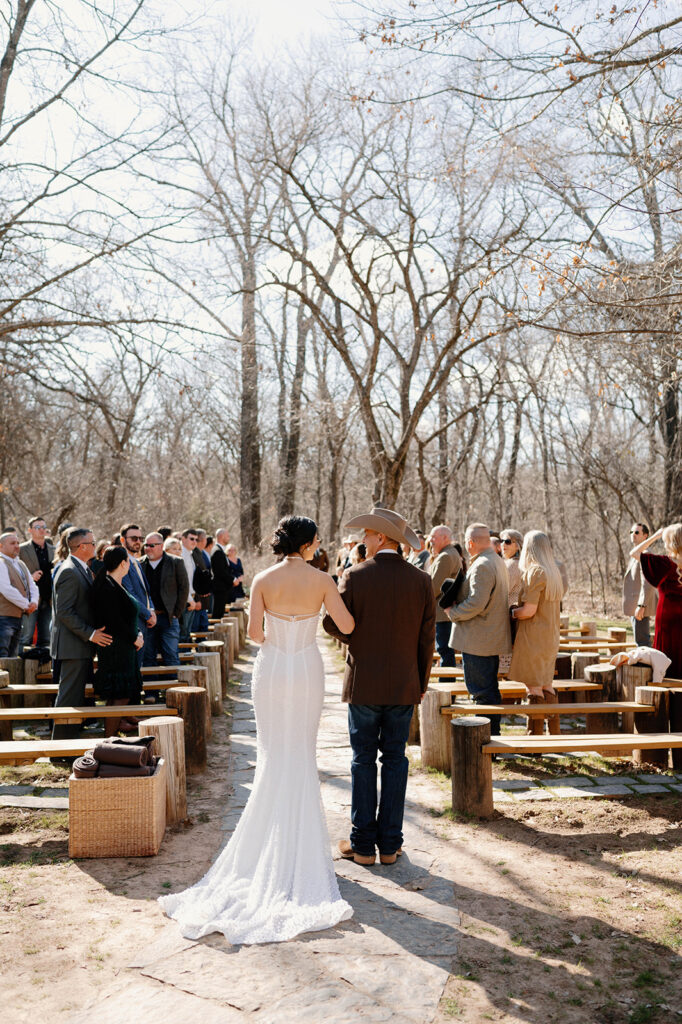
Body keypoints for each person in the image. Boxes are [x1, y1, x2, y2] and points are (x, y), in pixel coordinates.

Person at [160, 514, 355, 944]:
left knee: (272, 754)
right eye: (317, 540)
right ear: (307, 545)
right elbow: (347, 627)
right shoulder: (323, 580)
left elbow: (254, 634)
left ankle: (267, 843)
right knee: (301, 752)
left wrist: (281, 643)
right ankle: (297, 848)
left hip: (271, 671)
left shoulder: (264, 578)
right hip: (306, 667)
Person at [323, 507, 435, 866]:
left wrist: (353, 635)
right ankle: (390, 846)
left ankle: (362, 845)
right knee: (395, 761)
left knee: (362, 761)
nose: (362, 541)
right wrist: (420, 681)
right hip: (405, 683)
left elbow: (330, 622)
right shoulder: (421, 580)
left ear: (382, 538)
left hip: (365, 683)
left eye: (367, 535)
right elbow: (426, 640)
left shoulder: (355, 575)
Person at [444, 523, 510, 735]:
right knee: (487, 691)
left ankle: (487, 742)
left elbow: (476, 603)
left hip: (479, 640)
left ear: (471, 543)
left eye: (466, 542)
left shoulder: (483, 564)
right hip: (486, 637)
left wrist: (452, 612)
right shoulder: (496, 560)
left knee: (482, 694)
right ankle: (492, 739)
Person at [50, 528, 112, 745]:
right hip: (72, 645)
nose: (95, 546)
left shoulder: (81, 568)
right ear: (82, 546)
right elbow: (64, 612)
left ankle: (69, 743)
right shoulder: (68, 571)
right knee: (68, 697)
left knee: (76, 697)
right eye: (93, 543)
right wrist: (91, 634)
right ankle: (59, 748)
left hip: (79, 645)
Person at [509, 531, 564, 735]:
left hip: (533, 638)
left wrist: (512, 612)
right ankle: (555, 733)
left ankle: (535, 738)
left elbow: (529, 611)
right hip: (550, 637)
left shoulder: (535, 572)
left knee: (534, 688)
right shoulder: (553, 572)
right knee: (546, 685)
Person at [92, 546, 144, 735]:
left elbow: (127, 616)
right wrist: (134, 639)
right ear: (123, 563)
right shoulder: (106, 586)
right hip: (116, 649)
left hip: (126, 647)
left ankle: (112, 738)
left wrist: (138, 634)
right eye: (128, 561)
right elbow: (114, 621)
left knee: (120, 696)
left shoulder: (116, 584)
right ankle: (109, 740)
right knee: (119, 695)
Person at [632, 523, 682, 678]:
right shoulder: (666, 562)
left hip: (667, 616)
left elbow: (634, 552)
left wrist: (655, 536)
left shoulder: (666, 563)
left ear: (671, 541)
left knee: (667, 655)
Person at [141, 532, 190, 668]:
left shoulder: (175, 562)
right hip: (147, 619)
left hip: (168, 617)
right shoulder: (139, 563)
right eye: (146, 545)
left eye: (152, 545)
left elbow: (183, 588)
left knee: (171, 654)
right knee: (148, 656)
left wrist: (176, 613)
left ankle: (173, 688)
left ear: (161, 546)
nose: (148, 548)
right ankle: (152, 690)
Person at [120, 523, 156, 666]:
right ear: (123, 540)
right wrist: (147, 614)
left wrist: (151, 610)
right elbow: (130, 594)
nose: (138, 542)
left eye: (140, 538)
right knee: (133, 667)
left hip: (145, 621)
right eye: (134, 538)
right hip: (134, 622)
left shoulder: (137, 562)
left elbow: (146, 592)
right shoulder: (122, 563)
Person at [427, 524, 462, 669]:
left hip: (442, 614)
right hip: (445, 613)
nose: (431, 540)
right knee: (445, 650)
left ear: (445, 538)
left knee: (444, 650)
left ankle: (447, 686)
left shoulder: (446, 557)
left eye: (434, 537)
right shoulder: (449, 554)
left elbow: (434, 587)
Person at [18, 516, 54, 654]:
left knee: (46, 638)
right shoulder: (21, 549)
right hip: (30, 599)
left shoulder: (53, 548)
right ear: (30, 530)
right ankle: (20, 671)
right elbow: (13, 572)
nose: (41, 530)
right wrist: (30, 577)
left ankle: (43, 669)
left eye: (44, 527)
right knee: (25, 637)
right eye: (38, 527)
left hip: (48, 599)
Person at [0, 532, 39, 657]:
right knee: (3, 656)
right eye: (12, 543)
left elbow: (32, 585)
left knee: (12, 658)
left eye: (17, 543)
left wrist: (34, 602)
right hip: (3, 618)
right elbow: (6, 589)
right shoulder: (1, 563)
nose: (17, 546)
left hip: (18, 617)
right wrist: (27, 605)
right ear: (1, 546)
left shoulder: (20, 563)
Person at [623, 523, 658, 646]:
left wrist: (641, 605)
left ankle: (645, 665)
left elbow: (648, 582)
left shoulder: (645, 554)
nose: (633, 535)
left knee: (642, 642)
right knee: (640, 641)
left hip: (641, 606)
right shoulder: (636, 553)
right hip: (635, 605)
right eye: (631, 532)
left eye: (637, 532)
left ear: (645, 536)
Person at [498, 528, 524, 675]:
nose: (503, 544)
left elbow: (501, 591)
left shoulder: (512, 565)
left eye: (508, 541)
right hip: (511, 617)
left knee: (504, 668)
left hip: (507, 616)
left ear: (517, 545)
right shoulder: (514, 563)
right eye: (501, 541)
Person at [179, 529, 201, 641]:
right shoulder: (181, 554)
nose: (194, 542)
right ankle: (183, 658)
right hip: (185, 600)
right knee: (183, 634)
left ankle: (187, 658)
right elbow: (183, 581)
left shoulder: (190, 554)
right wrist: (189, 599)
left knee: (187, 633)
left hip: (192, 597)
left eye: (196, 539)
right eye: (191, 539)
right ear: (183, 538)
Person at [210, 528, 234, 619]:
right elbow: (220, 571)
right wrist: (233, 579)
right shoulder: (217, 551)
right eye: (227, 536)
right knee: (217, 613)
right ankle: (217, 633)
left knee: (220, 612)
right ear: (221, 536)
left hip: (223, 588)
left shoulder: (221, 550)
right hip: (219, 588)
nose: (229, 538)